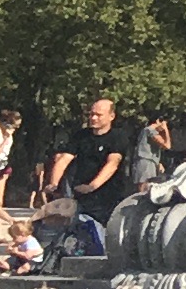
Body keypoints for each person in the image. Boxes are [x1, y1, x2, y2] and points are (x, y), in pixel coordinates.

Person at [34, 95, 123, 257]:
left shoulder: (118, 137)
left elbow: (112, 164)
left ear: (111, 116)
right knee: (79, 227)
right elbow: (64, 159)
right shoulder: (81, 136)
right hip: (80, 194)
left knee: (105, 232)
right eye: (91, 114)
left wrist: (92, 186)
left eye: (98, 115)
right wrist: (53, 183)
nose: (93, 118)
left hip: (109, 195)